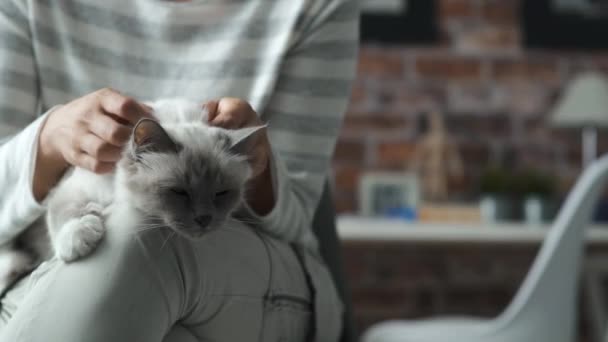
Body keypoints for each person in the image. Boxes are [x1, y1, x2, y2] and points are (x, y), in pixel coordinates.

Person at [0, 0, 359, 341]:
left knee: (139, 233)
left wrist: (258, 166)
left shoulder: (314, 5)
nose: (203, 214)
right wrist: (46, 142)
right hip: (36, 262)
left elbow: (298, 218)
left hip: (263, 268)